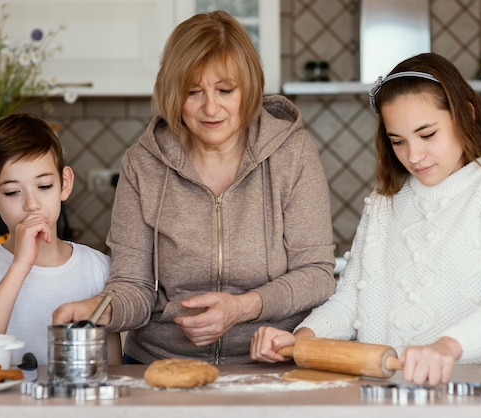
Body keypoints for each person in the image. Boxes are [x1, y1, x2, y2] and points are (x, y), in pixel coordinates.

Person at [52, 10, 336, 365]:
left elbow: (318, 275)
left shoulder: (291, 154)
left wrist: (242, 308)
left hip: (269, 364)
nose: (210, 108)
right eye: (193, 92)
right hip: (159, 365)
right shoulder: (143, 164)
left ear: (248, 89)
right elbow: (133, 286)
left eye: (225, 90)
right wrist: (99, 308)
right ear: (174, 94)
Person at [250, 52, 481, 385]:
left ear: (465, 116)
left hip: (480, 399)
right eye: (398, 141)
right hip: (389, 398)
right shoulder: (384, 203)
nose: (413, 156)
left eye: (427, 135)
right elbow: (351, 301)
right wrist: (303, 337)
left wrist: (449, 347)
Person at [0, 113, 122, 365]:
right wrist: (20, 265)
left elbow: (112, 367)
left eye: (44, 186)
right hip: (3, 405)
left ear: (64, 183)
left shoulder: (98, 267)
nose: (32, 204)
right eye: (12, 192)